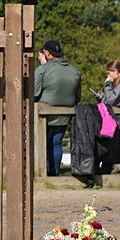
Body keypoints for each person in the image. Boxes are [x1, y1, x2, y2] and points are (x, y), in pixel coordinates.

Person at [33, 39, 82, 177]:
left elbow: (34, 93)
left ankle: (40, 173)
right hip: (65, 115)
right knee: (56, 143)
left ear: (47, 53)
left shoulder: (42, 69)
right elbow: (78, 96)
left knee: (42, 143)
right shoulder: (75, 71)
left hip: (44, 115)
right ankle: (55, 173)